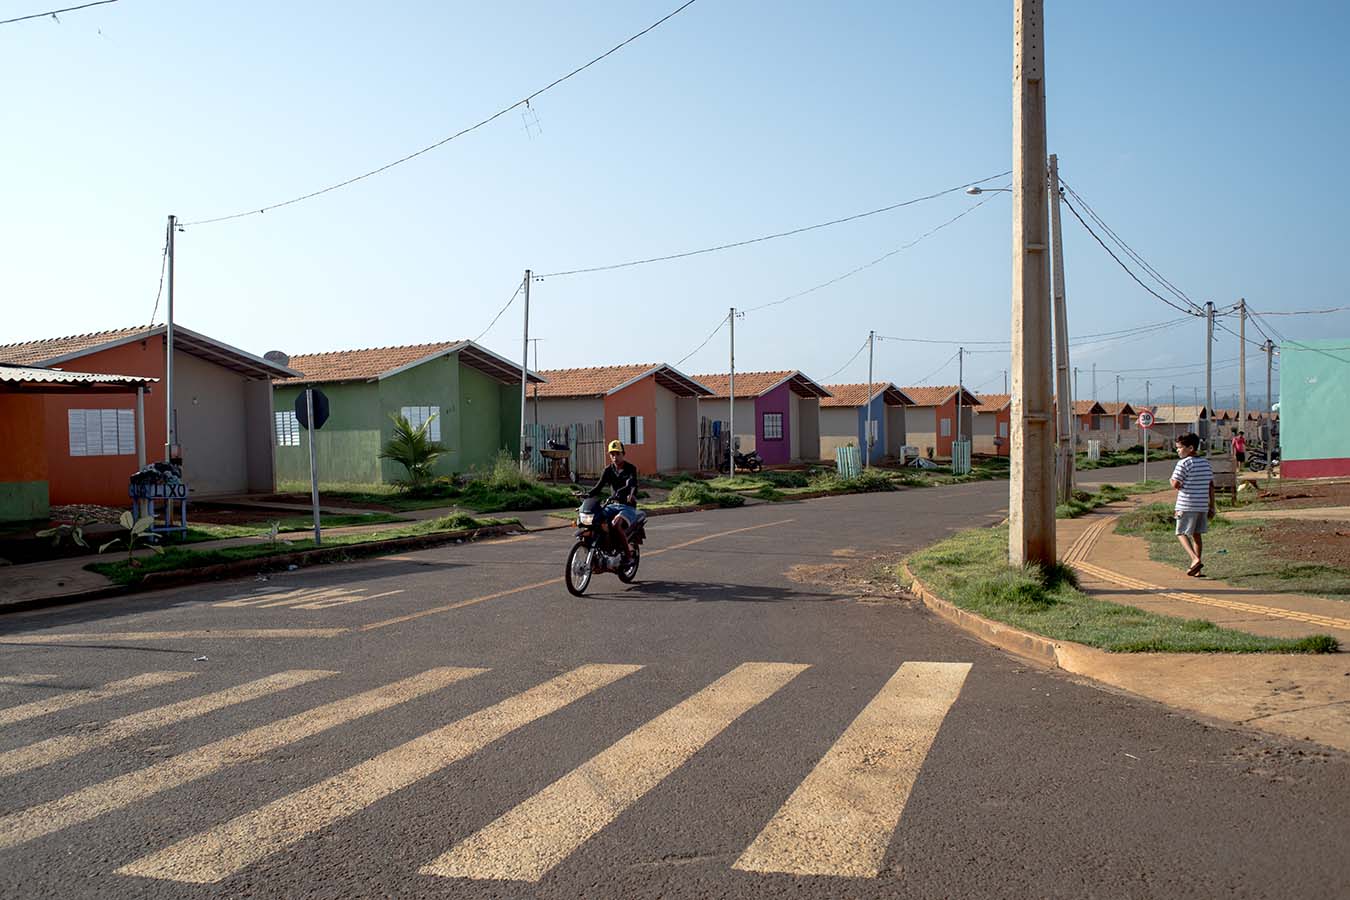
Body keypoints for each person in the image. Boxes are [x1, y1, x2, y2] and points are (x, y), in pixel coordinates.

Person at [587, 440, 644, 560]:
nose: (615, 457)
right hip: (612, 505)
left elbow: (633, 484)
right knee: (596, 519)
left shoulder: (630, 468)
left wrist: (631, 494)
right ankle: (604, 548)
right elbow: (598, 487)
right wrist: (585, 494)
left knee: (616, 524)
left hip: (627, 506)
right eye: (612, 454)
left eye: (618, 453)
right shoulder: (608, 470)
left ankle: (628, 555)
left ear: (623, 454)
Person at [1170, 432, 1216, 576]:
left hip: (1186, 505)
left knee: (1181, 532)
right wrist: (1212, 506)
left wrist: (1171, 481)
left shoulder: (1183, 463)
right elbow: (1210, 486)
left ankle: (1195, 559)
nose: (1178, 450)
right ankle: (1198, 570)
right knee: (1197, 535)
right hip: (1202, 505)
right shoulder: (1206, 463)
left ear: (1190, 448)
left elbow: (1176, 484)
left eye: (1179, 448)